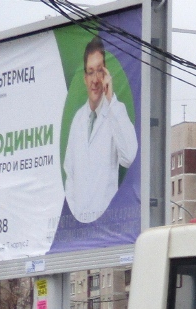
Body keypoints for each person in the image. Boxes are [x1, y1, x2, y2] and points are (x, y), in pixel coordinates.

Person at [62, 36, 138, 223]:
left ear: (106, 75)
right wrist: (76, 214)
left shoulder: (115, 113)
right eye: (90, 72)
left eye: (99, 71)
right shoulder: (78, 120)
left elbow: (129, 157)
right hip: (79, 228)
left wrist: (111, 99)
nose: (95, 80)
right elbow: (69, 173)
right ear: (84, 78)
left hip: (106, 223)